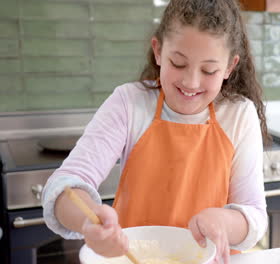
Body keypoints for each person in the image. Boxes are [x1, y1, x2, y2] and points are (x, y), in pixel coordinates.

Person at [41, 0, 268, 263]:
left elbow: (254, 216)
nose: (191, 82)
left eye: (209, 70)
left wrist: (224, 221)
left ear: (229, 67)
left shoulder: (239, 115)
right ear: (158, 51)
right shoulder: (129, 103)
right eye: (178, 63)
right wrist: (88, 220)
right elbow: (63, 185)